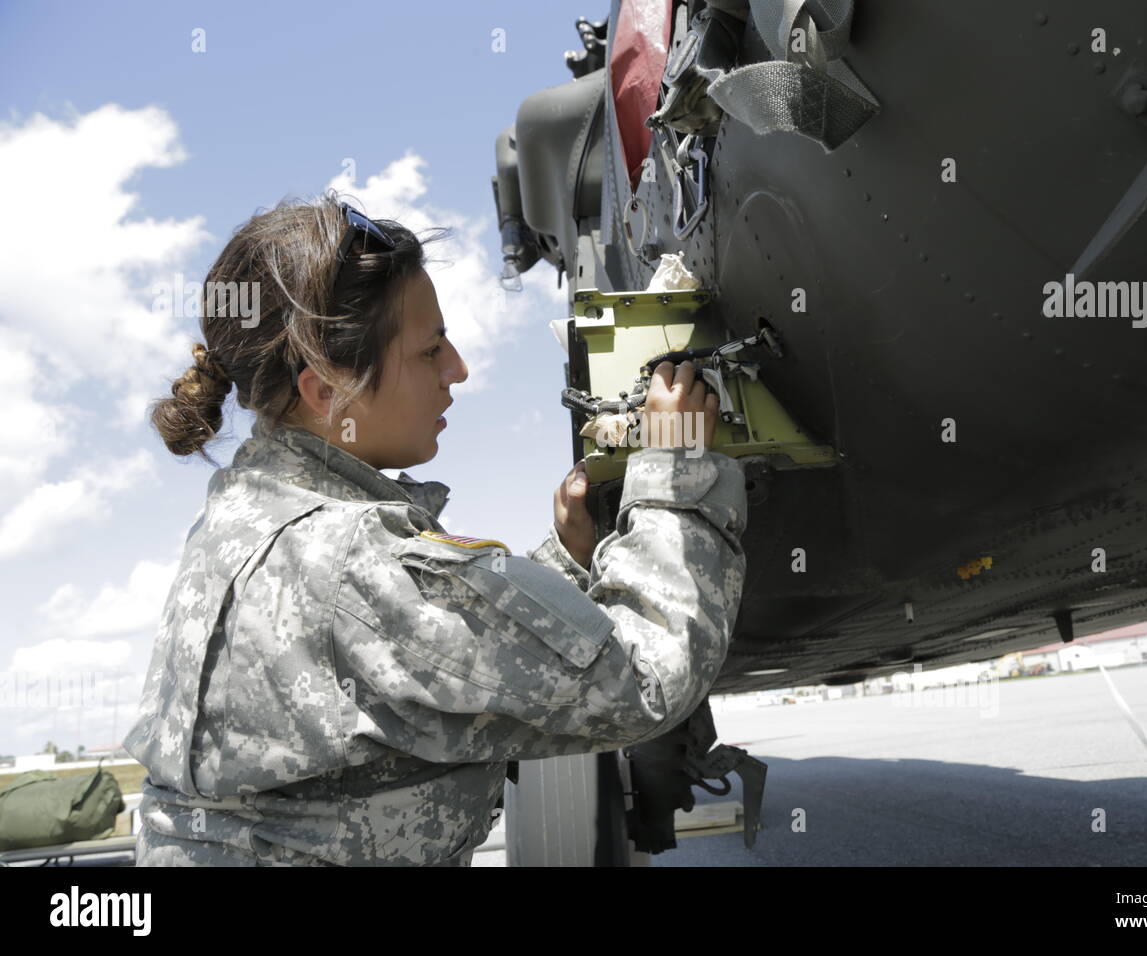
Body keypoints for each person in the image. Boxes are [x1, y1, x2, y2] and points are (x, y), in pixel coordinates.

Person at [123, 192, 748, 866]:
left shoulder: (247, 517)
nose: (458, 369)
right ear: (326, 389)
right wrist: (676, 469)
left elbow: (428, 671)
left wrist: (563, 562)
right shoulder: (350, 562)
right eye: (429, 352)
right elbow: (646, 680)